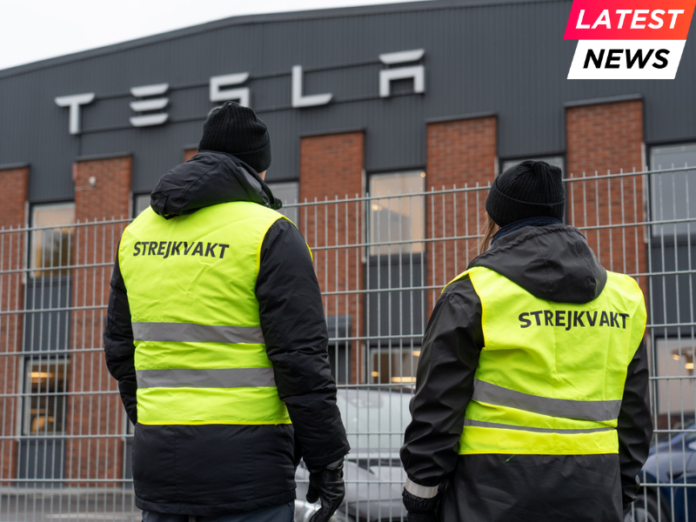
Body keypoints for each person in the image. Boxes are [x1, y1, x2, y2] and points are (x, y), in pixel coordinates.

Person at [104, 101, 349, 522]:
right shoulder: (269, 232)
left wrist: (153, 426)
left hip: (161, 464)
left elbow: (121, 351)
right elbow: (300, 361)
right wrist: (326, 458)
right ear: (260, 167)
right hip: (248, 470)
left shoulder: (137, 233)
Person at [400, 161, 652, 522]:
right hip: (594, 491)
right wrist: (620, 491)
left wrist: (421, 500)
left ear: (496, 218)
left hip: (489, 494)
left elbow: (437, 408)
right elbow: (634, 416)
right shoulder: (624, 298)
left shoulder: (473, 292)